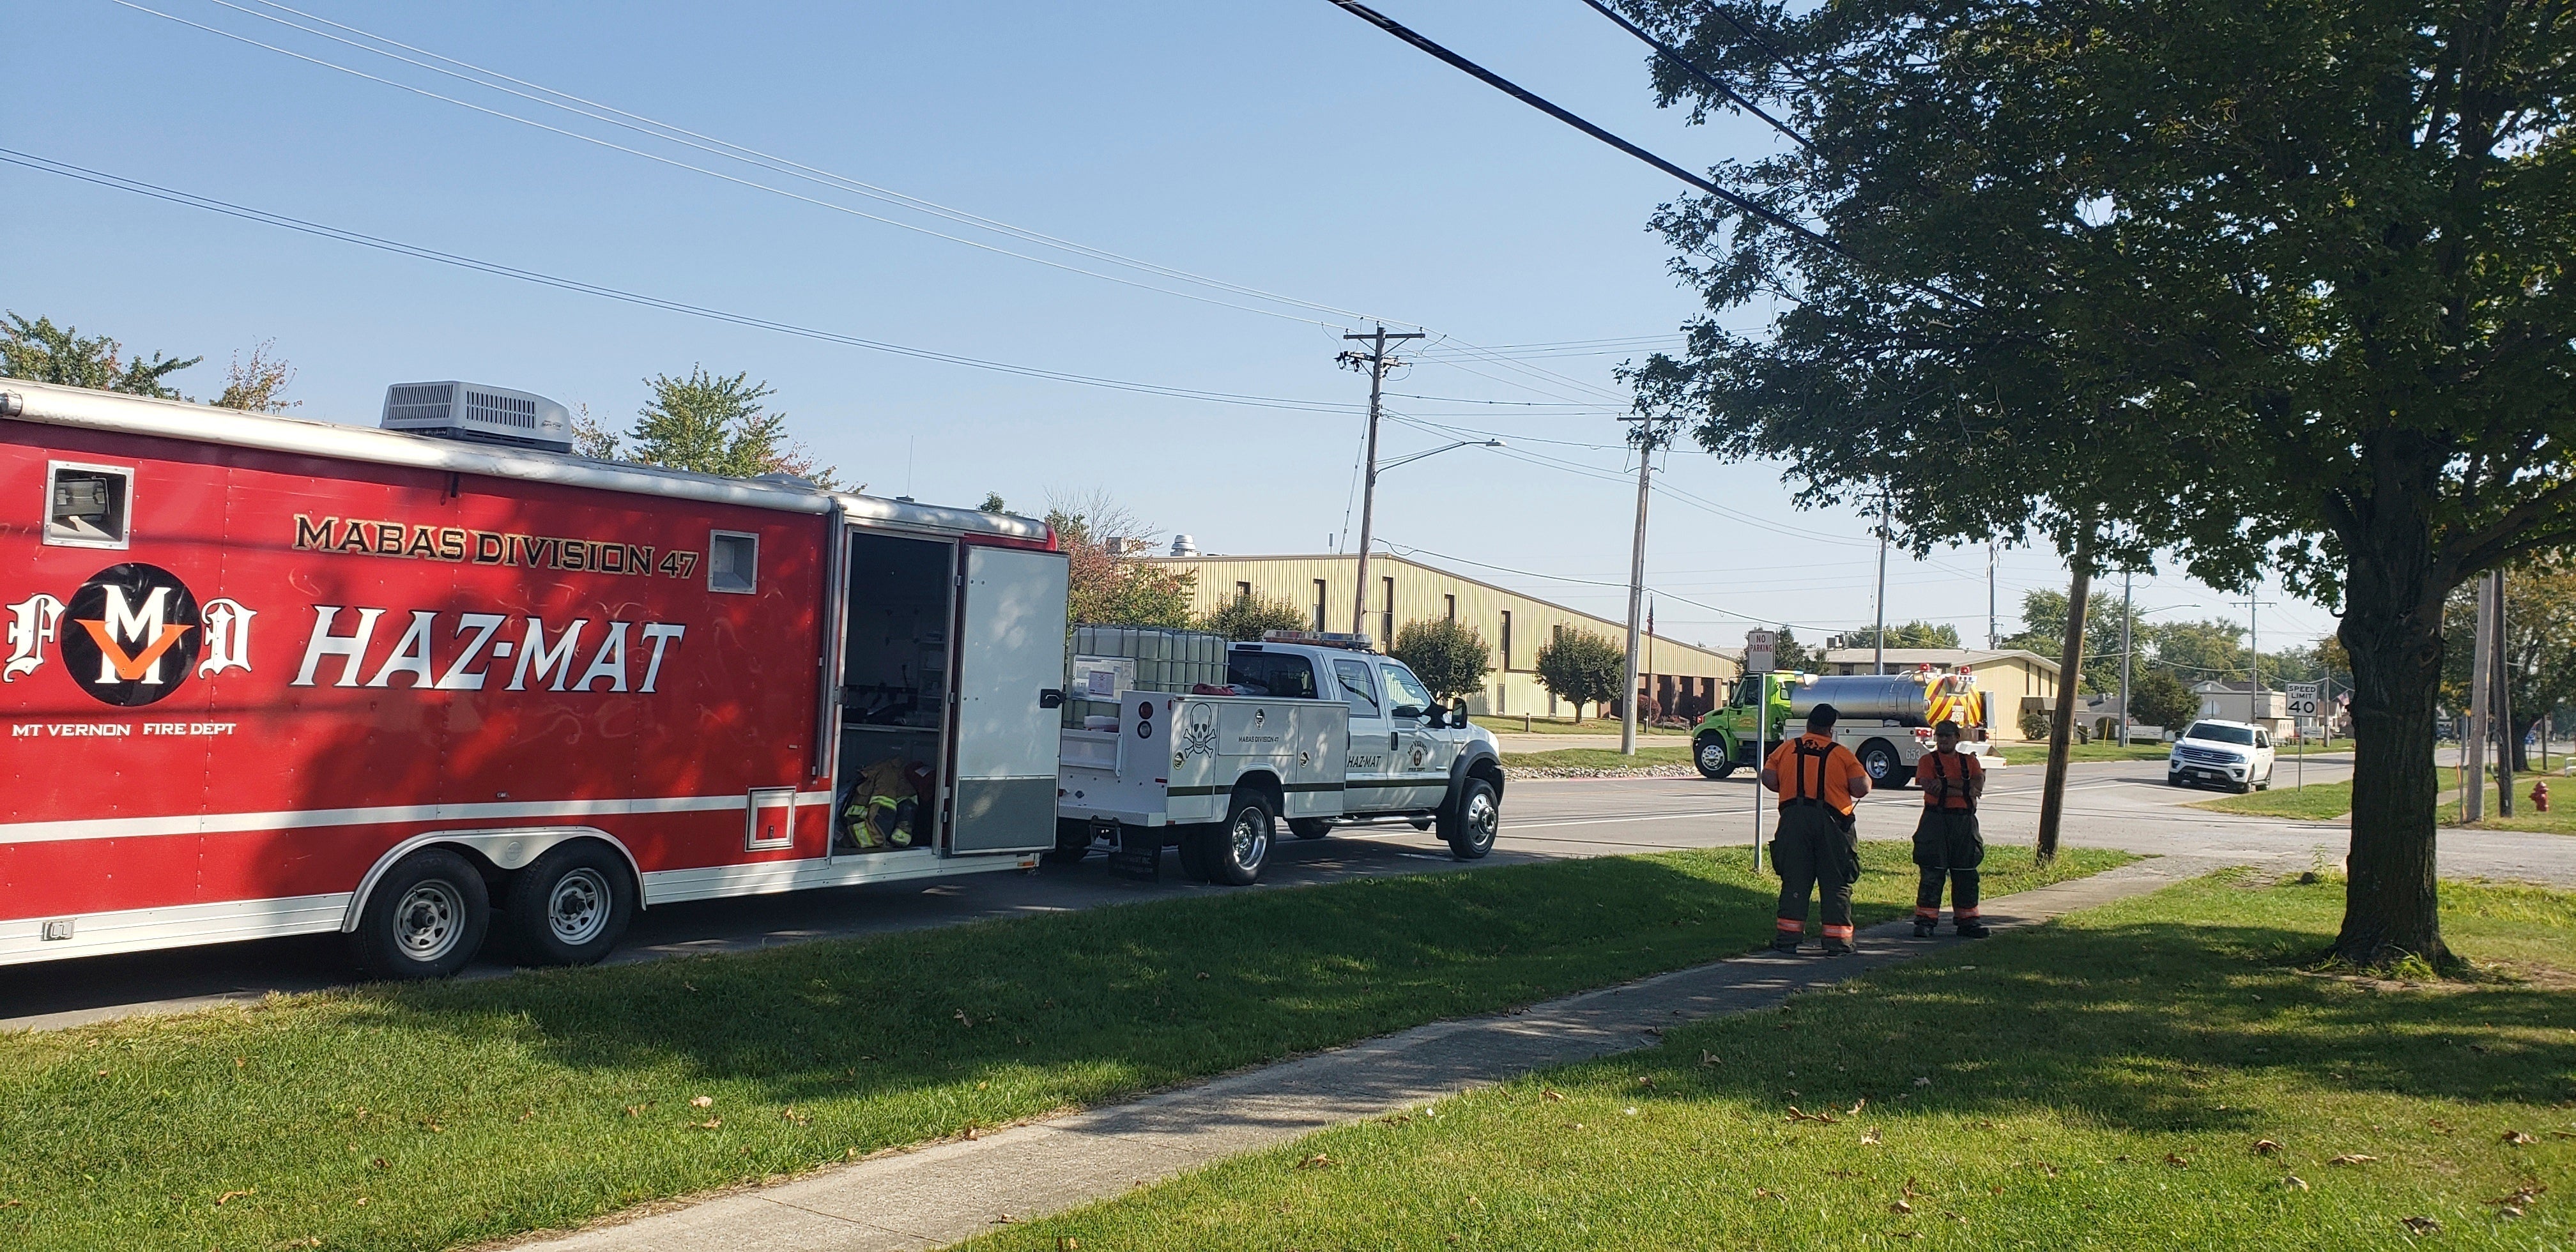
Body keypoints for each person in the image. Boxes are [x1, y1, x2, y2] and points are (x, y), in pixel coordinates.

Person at [1762, 703, 1871, 956]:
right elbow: (1861, 788)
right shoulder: (1841, 754)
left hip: (1793, 820)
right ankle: (1838, 942)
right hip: (1831, 824)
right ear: (1830, 729)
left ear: (1809, 725)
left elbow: (1768, 778)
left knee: (1795, 879)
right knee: (1836, 881)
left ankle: (1788, 939)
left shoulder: (1786, 749)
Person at [1912, 720, 1988, 938]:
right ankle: (1925, 921)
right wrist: (1964, 788)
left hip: (1964, 823)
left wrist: (1946, 786)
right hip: (1935, 821)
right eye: (1940, 736)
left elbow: (1978, 786)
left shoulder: (1969, 761)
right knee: (1932, 871)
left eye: (1948, 736)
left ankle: (1968, 921)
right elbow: (1929, 786)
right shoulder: (1927, 761)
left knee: (1966, 872)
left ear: (1957, 738)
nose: (1943, 740)